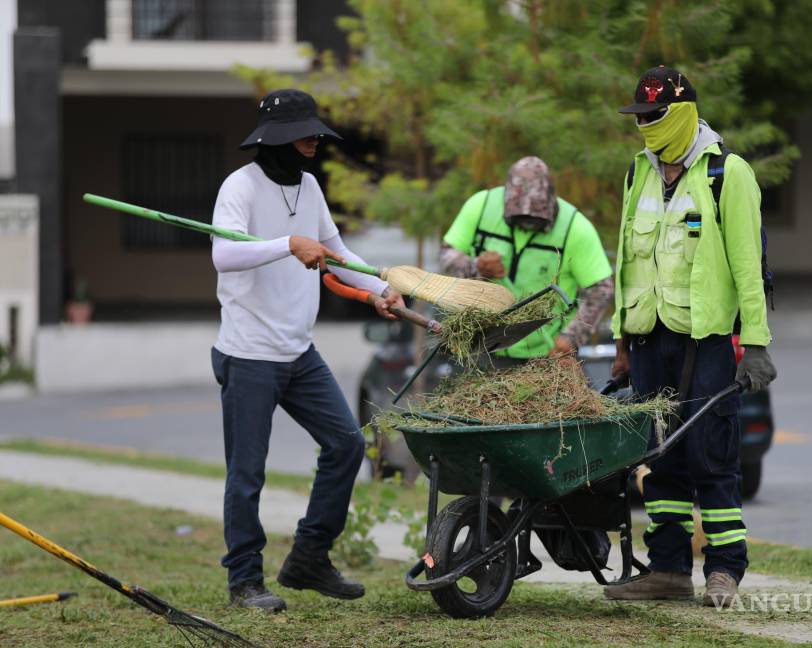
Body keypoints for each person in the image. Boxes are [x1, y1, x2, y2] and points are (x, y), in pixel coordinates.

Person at [210, 88, 404, 611]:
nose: (314, 142)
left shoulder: (310, 187)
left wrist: (376, 287)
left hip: (299, 353)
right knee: (247, 475)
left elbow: (335, 252)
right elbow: (224, 255)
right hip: (249, 353)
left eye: (315, 133)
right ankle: (245, 582)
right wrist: (287, 244)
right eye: (303, 135)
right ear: (274, 141)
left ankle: (309, 558)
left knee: (346, 445)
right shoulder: (240, 188)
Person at [603, 67, 777, 606]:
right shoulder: (639, 174)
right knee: (659, 457)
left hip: (705, 340)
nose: (646, 127)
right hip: (650, 337)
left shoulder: (728, 173)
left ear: (681, 113)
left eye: (654, 117)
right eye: (639, 118)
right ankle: (669, 570)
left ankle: (724, 570)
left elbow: (750, 266)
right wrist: (622, 339)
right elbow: (627, 261)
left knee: (711, 453)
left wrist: (757, 341)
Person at [440, 156, 614, 361]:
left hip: (546, 357)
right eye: (520, 217)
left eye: (535, 217)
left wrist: (571, 338)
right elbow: (446, 255)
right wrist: (475, 265)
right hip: (482, 348)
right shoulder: (481, 206)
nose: (527, 222)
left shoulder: (575, 228)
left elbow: (601, 289)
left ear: (551, 200)